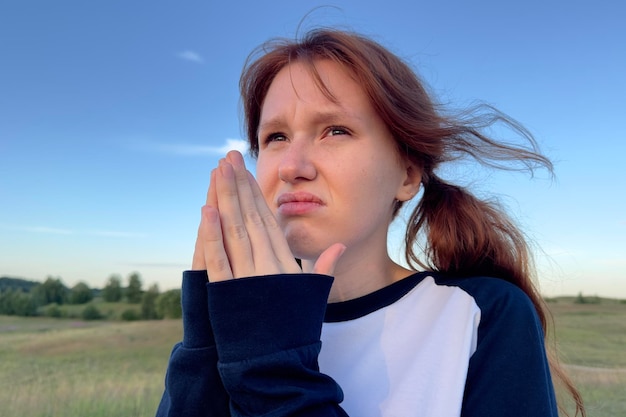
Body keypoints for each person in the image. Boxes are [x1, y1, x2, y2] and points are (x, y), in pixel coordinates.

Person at [156, 28, 585, 417]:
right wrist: (203, 348)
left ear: (407, 174)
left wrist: (274, 377)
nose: (291, 166)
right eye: (276, 138)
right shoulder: (237, 322)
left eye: (335, 130)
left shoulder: (478, 315)